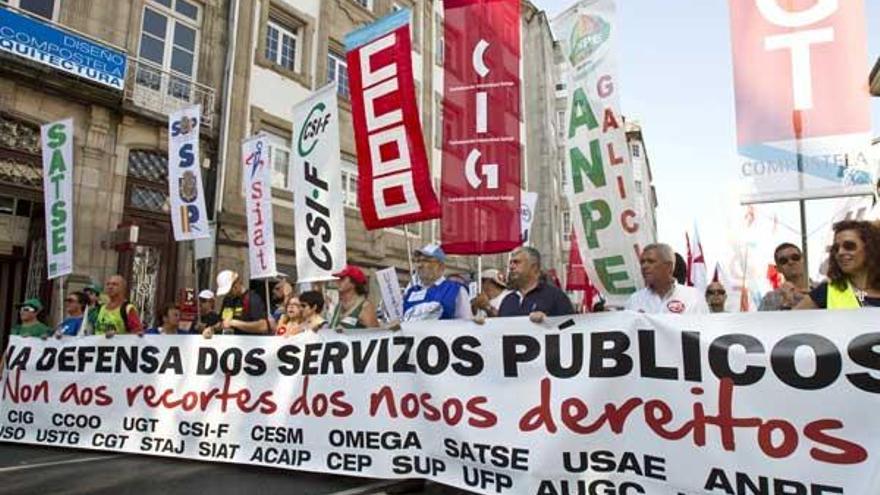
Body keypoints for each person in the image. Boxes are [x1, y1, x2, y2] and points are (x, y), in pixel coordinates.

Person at [796, 220, 880, 309]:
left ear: (870, 249)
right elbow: (791, 320)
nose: (840, 252)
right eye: (836, 248)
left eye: (849, 246)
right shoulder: (825, 292)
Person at [626, 243, 708, 314]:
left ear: (669, 267)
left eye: (651, 261)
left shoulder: (693, 297)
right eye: (642, 262)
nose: (644, 266)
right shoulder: (634, 300)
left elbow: (702, 329)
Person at [498, 247, 575, 322]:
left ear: (534, 267)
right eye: (510, 263)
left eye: (516, 262)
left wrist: (549, 322)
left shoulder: (555, 297)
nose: (511, 267)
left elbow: (571, 324)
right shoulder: (508, 300)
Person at [401, 244, 470, 321]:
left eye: (426, 261)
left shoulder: (455, 290)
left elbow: (465, 323)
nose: (420, 265)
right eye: (418, 261)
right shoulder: (410, 292)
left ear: (441, 266)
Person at [203, 270, 269, 337]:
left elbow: (263, 326)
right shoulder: (228, 300)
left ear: (236, 283)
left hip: (248, 344)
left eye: (229, 290)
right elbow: (223, 323)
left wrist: (235, 323)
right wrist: (212, 329)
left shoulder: (252, 298)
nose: (228, 293)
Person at [760, 243, 812, 311]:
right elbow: (762, 321)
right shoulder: (770, 299)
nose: (790, 262)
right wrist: (785, 303)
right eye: (783, 261)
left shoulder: (821, 289)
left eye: (795, 257)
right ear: (778, 268)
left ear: (804, 261)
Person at [329, 265, 379, 329]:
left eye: (342, 278)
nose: (337, 281)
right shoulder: (338, 305)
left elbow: (375, 334)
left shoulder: (364, 307)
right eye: (336, 278)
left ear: (353, 283)